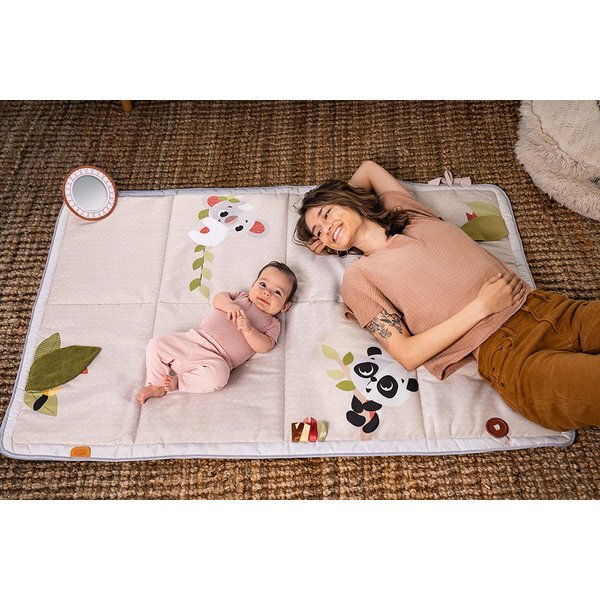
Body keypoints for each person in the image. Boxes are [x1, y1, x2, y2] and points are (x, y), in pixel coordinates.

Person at [293, 160, 600, 431]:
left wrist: (337, 202)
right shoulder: (359, 278)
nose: (325, 228)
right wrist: (482, 307)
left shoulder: (410, 214)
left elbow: (369, 169)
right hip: (511, 356)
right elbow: (407, 354)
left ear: (347, 199)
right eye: (318, 232)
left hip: (553, 311)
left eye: (326, 214)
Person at [136, 261, 297, 405]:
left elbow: (265, 346)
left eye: (277, 292)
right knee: (156, 344)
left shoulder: (272, 323)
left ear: (285, 306)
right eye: (263, 284)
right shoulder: (241, 296)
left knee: (220, 376)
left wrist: (249, 331)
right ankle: (156, 385)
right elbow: (218, 299)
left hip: (215, 360)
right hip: (192, 341)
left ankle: (180, 382)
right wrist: (229, 305)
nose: (267, 293)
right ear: (253, 284)